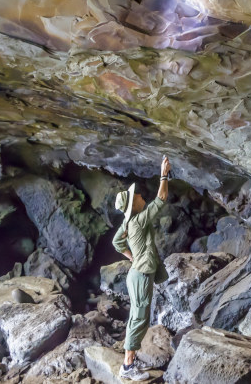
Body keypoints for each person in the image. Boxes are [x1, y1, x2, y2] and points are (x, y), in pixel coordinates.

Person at [111, 155, 171, 381]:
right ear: (132, 206)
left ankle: (129, 362)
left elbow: (117, 242)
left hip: (137, 272)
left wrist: (132, 256)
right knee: (139, 319)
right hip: (141, 274)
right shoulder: (138, 221)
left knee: (137, 318)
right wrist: (164, 174)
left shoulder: (127, 224)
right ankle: (127, 367)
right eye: (135, 196)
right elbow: (161, 198)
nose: (139, 195)